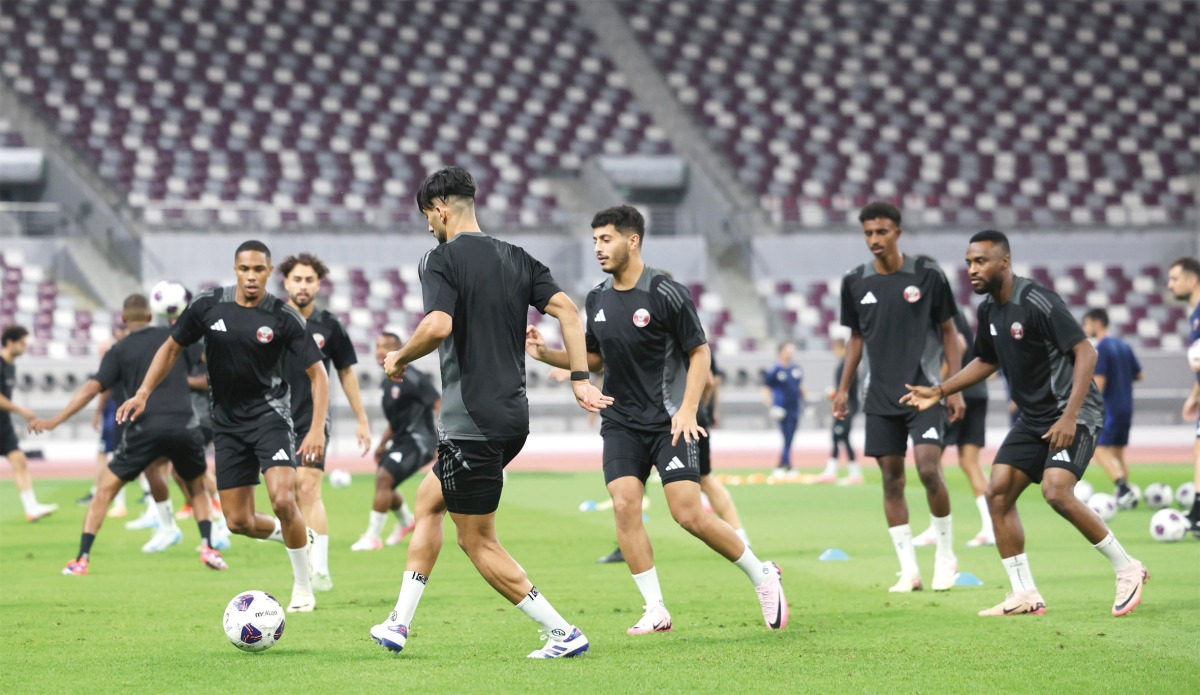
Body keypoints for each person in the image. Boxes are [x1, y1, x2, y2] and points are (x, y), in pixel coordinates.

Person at [369, 166, 605, 659]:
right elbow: (568, 312)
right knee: (429, 502)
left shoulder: (440, 259)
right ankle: (398, 622)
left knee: (476, 541)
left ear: (439, 210)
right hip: (512, 418)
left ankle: (563, 634)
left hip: (470, 422)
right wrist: (580, 379)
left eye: (427, 219)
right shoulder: (517, 258)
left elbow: (436, 325)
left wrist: (399, 357)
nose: (429, 228)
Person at [527, 204, 787, 634]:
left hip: (670, 420)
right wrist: (547, 354)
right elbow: (594, 358)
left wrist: (687, 409)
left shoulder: (665, 291)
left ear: (633, 241)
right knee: (625, 506)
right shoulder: (596, 297)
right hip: (620, 420)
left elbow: (699, 351)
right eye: (594, 240)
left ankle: (763, 575)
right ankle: (655, 609)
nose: (598, 248)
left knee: (688, 514)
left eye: (606, 239)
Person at [903, 230, 1146, 617]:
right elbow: (986, 360)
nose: (971, 270)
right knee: (998, 493)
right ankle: (1024, 594)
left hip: (1075, 413)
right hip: (1034, 419)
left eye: (980, 261)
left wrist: (1069, 417)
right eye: (968, 262)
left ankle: (1127, 567)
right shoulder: (989, 311)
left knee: (1056, 491)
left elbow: (1086, 351)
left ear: (1004, 262)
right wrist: (941, 390)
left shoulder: (1037, 300)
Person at [117, 240, 329, 613]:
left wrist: (314, 430)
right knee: (237, 521)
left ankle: (302, 588)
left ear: (268, 271)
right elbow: (170, 349)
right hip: (227, 426)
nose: (251, 276)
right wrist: (143, 393)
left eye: (258, 270)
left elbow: (319, 375)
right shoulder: (206, 305)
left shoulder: (283, 317)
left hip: (270, 417)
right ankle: (293, 535)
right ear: (235, 269)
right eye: (245, 269)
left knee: (282, 497)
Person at [30, 294, 227, 574]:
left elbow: (91, 389)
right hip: (183, 425)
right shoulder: (176, 338)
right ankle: (208, 545)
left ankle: (82, 559)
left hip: (143, 427)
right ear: (150, 316)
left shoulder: (118, 350)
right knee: (195, 486)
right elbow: (211, 361)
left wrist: (54, 421)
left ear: (124, 320)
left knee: (105, 491)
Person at [832, 201, 964, 592]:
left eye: (882, 231)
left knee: (927, 469)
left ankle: (945, 554)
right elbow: (856, 339)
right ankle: (909, 569)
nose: (875, 239)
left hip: (923, 393)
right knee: (891, 481)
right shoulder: (855, 281)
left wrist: (953, 387)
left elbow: (948, 332)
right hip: (878, 397)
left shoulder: (926, 274)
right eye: (869, 233)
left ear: (898, 233)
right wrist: (843, 390)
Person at [280, 252, 372, 592]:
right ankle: (301, 559)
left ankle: (319, 569)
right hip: (273, 421)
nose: (303, 286)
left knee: (307, 488)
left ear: (318, 284)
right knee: (285, 495)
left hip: (313, 420)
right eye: (297, 279)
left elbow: (346, 373)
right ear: (286, 283)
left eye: (309, 280)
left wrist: (362, 419)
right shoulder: (271, 320)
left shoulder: (329, 325)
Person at [351, 332, 440, 551]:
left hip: (420, 441)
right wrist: (382, 445)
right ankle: (406, 521)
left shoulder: (414, 377)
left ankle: (373, 536)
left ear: (400, 349)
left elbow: (439, 403)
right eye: (378, 346)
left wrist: (442, 441)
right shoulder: (387, 380)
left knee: (384, 478)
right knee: (385, 482)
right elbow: (396, 420)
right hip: (402, 441)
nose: (380, 351)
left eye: (387, 346)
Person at [914, 309, 995, 547]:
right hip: (976, 389)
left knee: (931, 460)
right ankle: (991, 526)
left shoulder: (939, 311)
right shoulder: (955, 311)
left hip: (954, 393)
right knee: (969, 462)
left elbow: (957, 345)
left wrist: (938, 385)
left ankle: (935, 527)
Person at [1081, 307, 1143, 509]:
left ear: (1097, 323)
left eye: (1087, 323)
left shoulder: (1103, 348)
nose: (1085, 328)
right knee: (1118, 452)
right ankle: (1127, 495)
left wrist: (1084, 404)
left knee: (1098, 450)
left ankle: (1123, 489)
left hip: (1110, 408)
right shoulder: (1124, 345)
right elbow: (1139, 375)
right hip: (1127, 405)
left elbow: (1099, 382)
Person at [0, 325, 57, 521]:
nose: (25, 348)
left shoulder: (11, 366)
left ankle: (31, 508)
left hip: (3, 423)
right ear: (10, 342)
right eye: (22, 344)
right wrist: (21, 410)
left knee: (20, 460)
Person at [1167, 257, 1200, 537]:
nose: (1170, 285)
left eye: (1175, 279)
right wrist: (1194, 395)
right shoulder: (1194, 314)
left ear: (1192, 280)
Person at [819, 336, 863, 485]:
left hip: (847, 407)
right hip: (847, 406)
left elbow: (845, 390)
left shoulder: (845, 366)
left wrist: (833, 395)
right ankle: (845, 471)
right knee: (840, 437)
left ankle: (845, 472)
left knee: (839, 435)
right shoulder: (845, 365)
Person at [761, 342, 804, 475]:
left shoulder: (796, 369)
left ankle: (784, 464)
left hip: (794, 407)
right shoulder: (774, 370)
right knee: (786, 435)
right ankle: (784, 465)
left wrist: (807, 403)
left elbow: (801, 387)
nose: (790, 353)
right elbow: (766, 389)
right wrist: (772, 406)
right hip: (781, 408)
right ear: (780, 352)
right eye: (787, 350)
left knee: (790, 436)